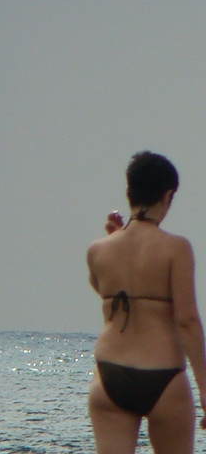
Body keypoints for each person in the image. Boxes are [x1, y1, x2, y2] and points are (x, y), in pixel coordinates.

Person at [87, 151, 206, 453]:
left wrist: (116, 238)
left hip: (110, 374)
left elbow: (101, 288)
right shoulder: (176, 249)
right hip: (163, 374)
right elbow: (187, 320)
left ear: (130, 191)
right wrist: (205, 387)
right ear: (167, 195)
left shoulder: (98, 250)